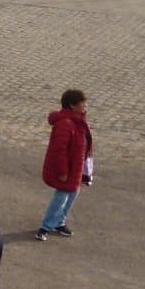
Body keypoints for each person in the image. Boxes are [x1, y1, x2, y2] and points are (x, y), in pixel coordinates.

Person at [36, 89, 92, 241]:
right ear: (72, 106)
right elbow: (59, 150)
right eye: (82, 104)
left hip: (77, 166)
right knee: (61, 197)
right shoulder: (66, 124)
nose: (85, 106)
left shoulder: (78, 121)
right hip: (68, 168)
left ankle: (59, 222)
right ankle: (46, 226)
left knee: (72, 194)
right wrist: (63, 171)